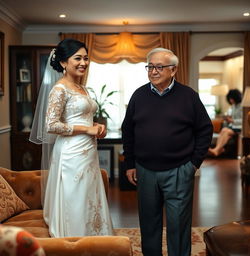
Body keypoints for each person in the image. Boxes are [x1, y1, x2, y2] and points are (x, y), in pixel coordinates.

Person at [121, 47, 213, 256]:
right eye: (150, 66)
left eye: (159, 67)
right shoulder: (139, 95)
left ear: (173, 70)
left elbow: (205, 129)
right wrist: (130, 164)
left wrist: (193, 164)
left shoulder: (188, 96)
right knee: (148, 223)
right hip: (145, 170)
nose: (153, 71)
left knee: (178, 224)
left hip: (179, 170)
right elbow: (128, 130)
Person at [29, 38, 113, 237]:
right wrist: (87, 130)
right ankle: (75, 239)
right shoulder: (59, 89)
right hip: (71, 154)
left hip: (88, 152)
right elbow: (51, 125)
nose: (83, 62)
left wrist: (97, 127)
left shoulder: (81, 88)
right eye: (77, 58)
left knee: (88, 196)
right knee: (75, 197)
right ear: (64, 62)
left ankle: (95, 237)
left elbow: (82, 117)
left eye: (86, 58)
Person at [208, 89, 242, 157]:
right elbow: (230, 115)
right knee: (224, 131)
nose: (230, 100)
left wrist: (232, 121)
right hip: (232, 126)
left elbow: (243, 120)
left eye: (231, 99)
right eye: (229, 99)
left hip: (239, 127)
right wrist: (227, 118)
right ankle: (218, 150)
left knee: (227, 131)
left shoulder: (242, 106)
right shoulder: (233, 106)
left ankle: (216, 150)